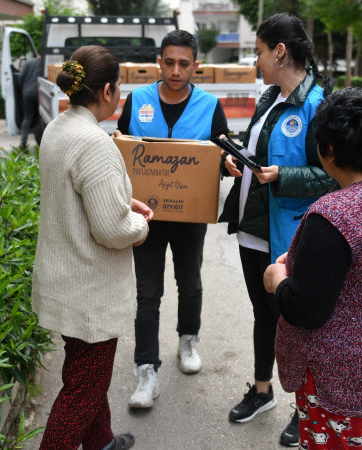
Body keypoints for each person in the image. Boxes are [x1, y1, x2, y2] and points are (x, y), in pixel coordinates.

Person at [263, 87, 362, 449]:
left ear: (328, 150)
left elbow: (306, 309)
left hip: (335, 382)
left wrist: (278, 281)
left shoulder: (334, 214)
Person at [217, 13, 338, 447]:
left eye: (260, 52)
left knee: (295, 323)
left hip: (291, 234)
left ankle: (302, 409)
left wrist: (282, 176)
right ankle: (262, 391)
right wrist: (236, 159)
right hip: (254, 227)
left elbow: (335, 176)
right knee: (262, 313)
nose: (256, 61)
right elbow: (257, 151)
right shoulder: (269, 97)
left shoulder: (319, 105)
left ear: (280, 52)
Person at [32, 45, 152, 450]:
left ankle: (101, 442)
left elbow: (78, 196)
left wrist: (122, 202)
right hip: (90, 292)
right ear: (106, 91)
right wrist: (139, 224)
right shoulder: (95, 143)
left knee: (87, 376)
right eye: (118, 88)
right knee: (82, 389)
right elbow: (112, 230)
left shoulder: (58, 128)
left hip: (65, 281)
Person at [114, 29, 229, 410]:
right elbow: (123, 152)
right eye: (169, 62)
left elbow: (220, 158)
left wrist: (227, 163)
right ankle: (146, 370)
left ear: (196, 65)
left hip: (188, 216)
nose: (176, 71)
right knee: (148, 292)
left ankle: (187, 339)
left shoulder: (210, 106)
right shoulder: (139, 100)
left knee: (190, 282)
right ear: (158, 63)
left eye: (184, 64)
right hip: (144, 215)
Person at [18, 57, 42, 149]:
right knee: (41, 117)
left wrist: (23, 89)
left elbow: (21, 77)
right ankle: (41, 139)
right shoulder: (44, 63)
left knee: (27, 118)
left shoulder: (28, 62)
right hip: (39, 93)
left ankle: (23, 143)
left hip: (27, 93)